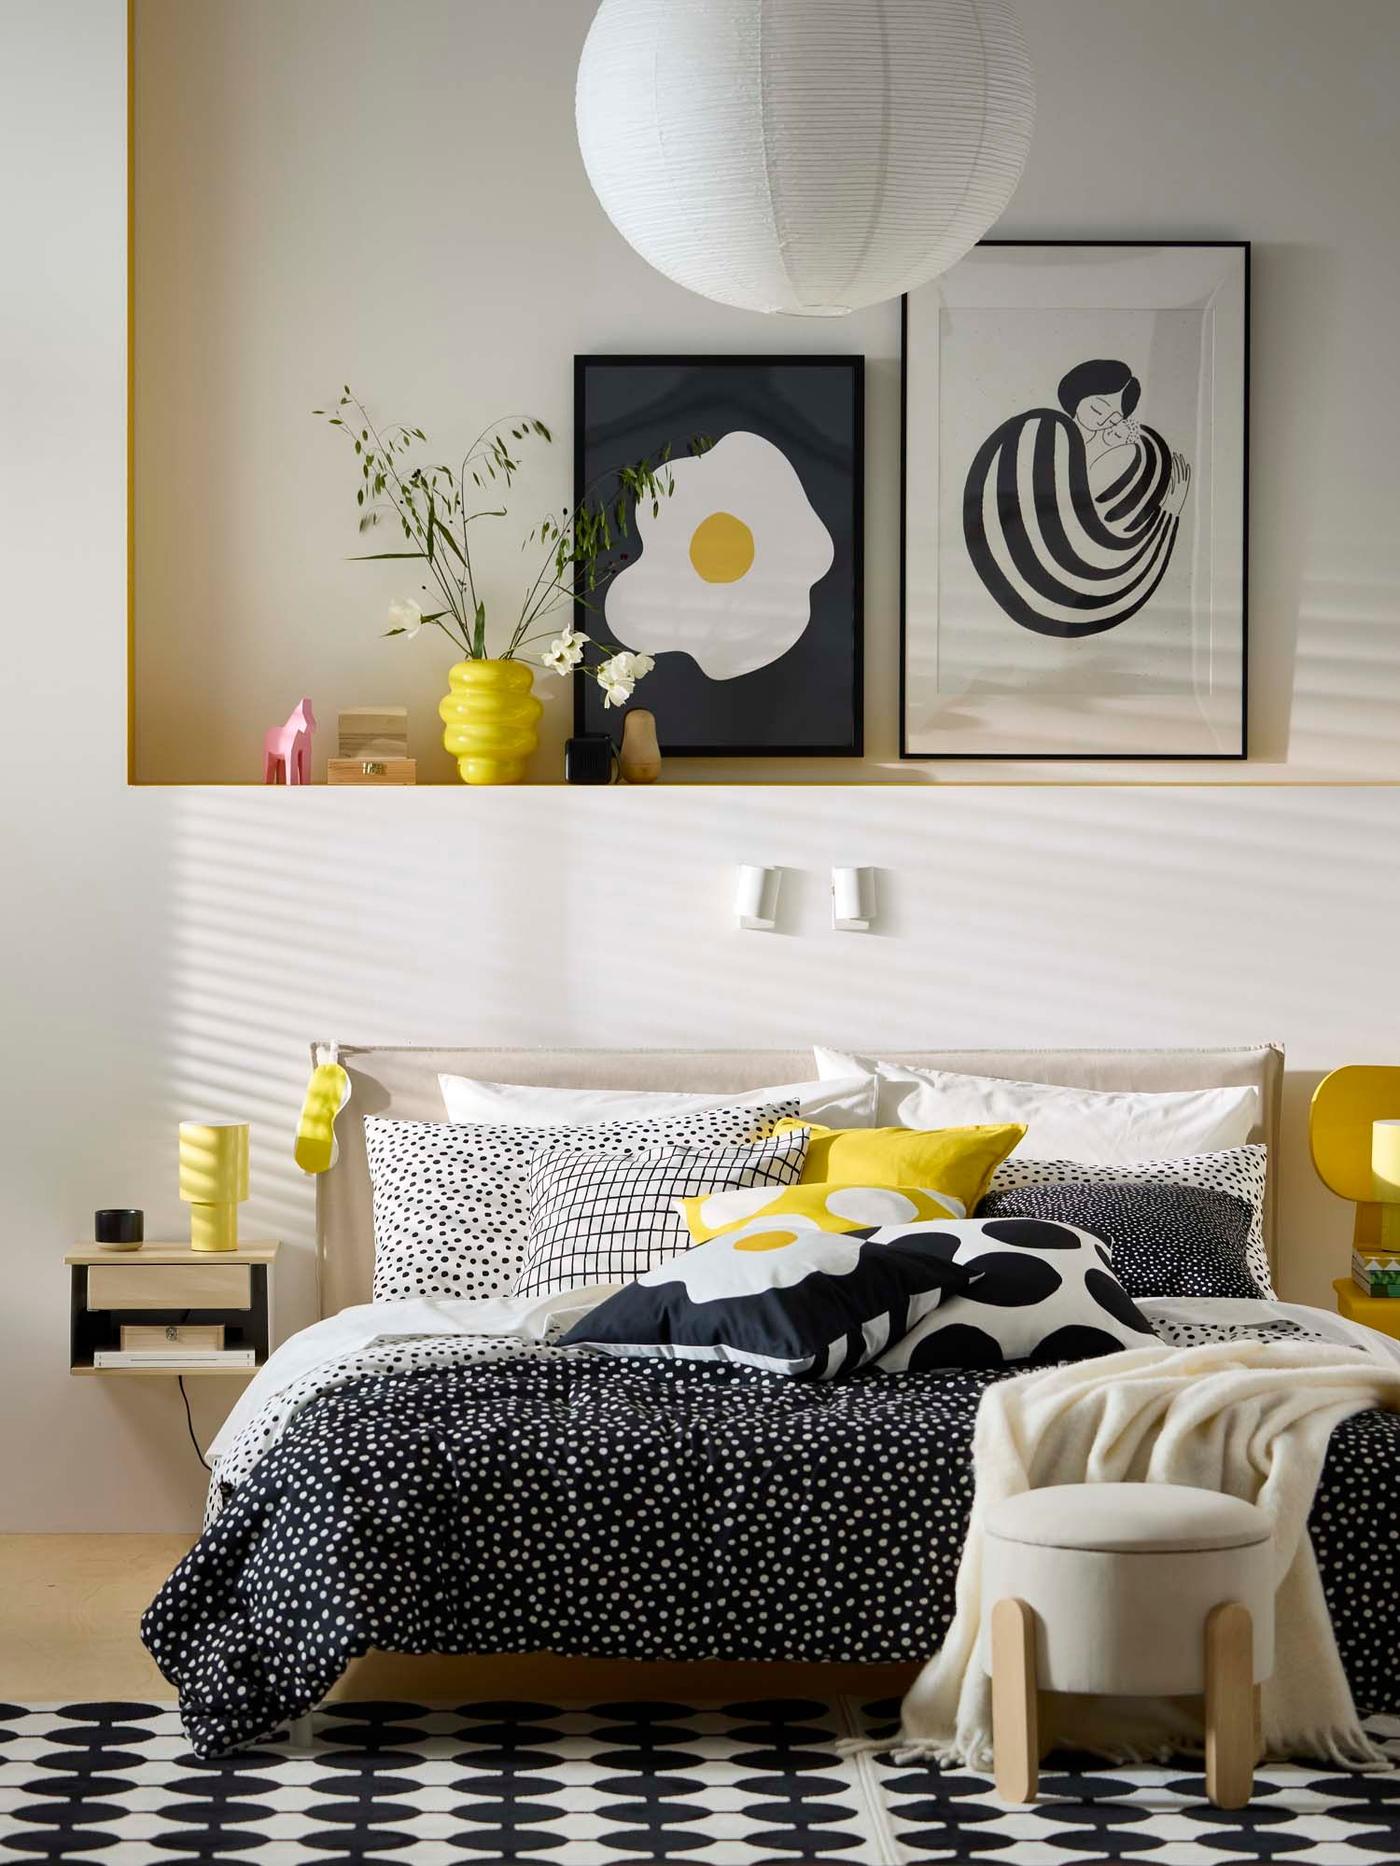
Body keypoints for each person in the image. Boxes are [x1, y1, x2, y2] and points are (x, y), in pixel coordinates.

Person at [962, 357, 1190, 639]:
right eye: (1098, 406)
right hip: (1028, 563)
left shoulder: (1110, 452)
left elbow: (1086, 503)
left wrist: (1169, 510)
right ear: (1077, 397)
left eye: (1114, 417)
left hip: (1071, 583)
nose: (1105, 419)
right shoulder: (1044, 429)